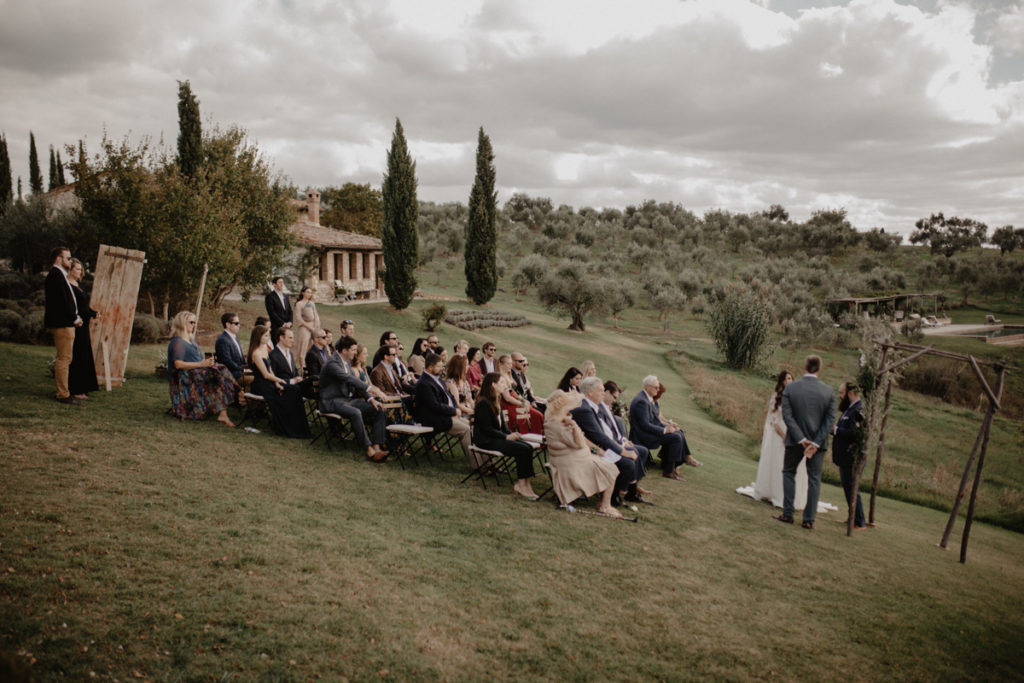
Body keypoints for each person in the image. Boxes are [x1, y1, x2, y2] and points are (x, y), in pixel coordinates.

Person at [737, 371, 813, 508]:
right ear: (782, 382)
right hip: (779, 433)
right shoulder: (777, 397)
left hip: (793, 432)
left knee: (789, 465)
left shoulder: (796, 396)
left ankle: (788, 496)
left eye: (791, 378)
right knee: (778, 463)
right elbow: (773, 420)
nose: (790, 380)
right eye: (787, 379)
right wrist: (784, 436)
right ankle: (774, 492)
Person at [777, 355, 836, 530]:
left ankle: (788, 514)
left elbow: (787, 416)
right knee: (814, 479)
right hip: (818, 444)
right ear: (819, 369)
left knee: (789, 472)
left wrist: (801, 439)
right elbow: (829, 420)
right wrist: (816, 443)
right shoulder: (829, 392)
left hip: (795, 441)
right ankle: (808, 519)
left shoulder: (791, 389)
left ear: (804, 367)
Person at [571, 376, 650, 506]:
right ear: (590, 392)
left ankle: (619, 493)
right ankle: (613, 496)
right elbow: (599, 436)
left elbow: (602, 434)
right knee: (627, 463)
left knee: (631, 457)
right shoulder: (585, 409)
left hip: (595, 447)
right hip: (588, 450)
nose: (603, 393)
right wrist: (622, 451)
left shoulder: (590, 406)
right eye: (601, 390)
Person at [544, 389, 621, 517]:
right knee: (611, 468)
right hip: (572, 463)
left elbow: (581, 441)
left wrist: (598, 450)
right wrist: (574, 426)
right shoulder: (560, 426)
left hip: (575, 458)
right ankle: (605, 505)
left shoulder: (554, 421)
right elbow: (580, 443)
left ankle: (604, 501)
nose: (570, 412)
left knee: (607, 462)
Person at [320, 336, 388, 461]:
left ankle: (377, 448)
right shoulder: (332, 363)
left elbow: (355, 382)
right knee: (356, 412)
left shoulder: (345, 362)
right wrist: (372, 389)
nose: (356, 353)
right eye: (353, 350)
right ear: (344, 350)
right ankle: (369, 450)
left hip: (347, 401)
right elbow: (348, 379)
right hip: (331, 401)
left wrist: (371, 399)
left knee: (379, 409)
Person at [473, 373, 539, 500]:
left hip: (496, 437)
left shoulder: (496, 400)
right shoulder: (483, 403)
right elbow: (486, 429)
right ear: (493, 384)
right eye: (501, 383)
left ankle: (526, 484)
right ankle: (521, 484)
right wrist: (505, 437)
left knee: (528, 447)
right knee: (522, 449)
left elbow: (502, 426)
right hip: (486, 440)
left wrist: (511, 434)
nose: (505, 385)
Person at [166, 311, 236, 426]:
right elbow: (178, 364)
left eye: (195, 322)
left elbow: (198, 359)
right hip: (185, 376)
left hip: (197, 372)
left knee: (220, 370)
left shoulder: (191, 340)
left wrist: (207, 363)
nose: (194, 325)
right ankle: (238, 394)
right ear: (182, 322)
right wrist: (202, 364)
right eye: (191, 322)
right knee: (221, 372)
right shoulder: (177, 341)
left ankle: (224, 411)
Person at [246, 324, 311, 438]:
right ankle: (286, 427)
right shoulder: (255, 353)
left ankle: (298, 426)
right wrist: (280, 380)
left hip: (271, 382)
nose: (268, 338)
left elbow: (270, 370)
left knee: (294, 390)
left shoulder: (264, 349)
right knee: (288, 393)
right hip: (261, 385)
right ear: (258, 337)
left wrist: (277, 383)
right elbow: (265, 375)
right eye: (265, 336)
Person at [629, 375, 695, 480]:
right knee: (676, 437)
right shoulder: (642, 401)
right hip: (642, 435)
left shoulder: (647, 399)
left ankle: (670, 465)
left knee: (678, 433)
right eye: (656, 387)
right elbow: (645, 425)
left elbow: (655, 419)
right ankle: (668, 471)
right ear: (647, 387)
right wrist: (664, 430)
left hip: (647, 432)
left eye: (658, 387)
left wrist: (668, 426)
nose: (658, 390)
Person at [414, 352, 473, 461]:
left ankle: (483, 460)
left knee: (473, 426)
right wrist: (453, 411)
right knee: (466, 429)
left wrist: (456, 409)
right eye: (439, 366)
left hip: (446, 415)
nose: (442, 368)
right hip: (434, 418)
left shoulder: (437, 379)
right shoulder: (424, 383)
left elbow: (450, 397)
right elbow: (434, 405)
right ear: (430, 367)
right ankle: (477, 464)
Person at [44, 246, 82, 405]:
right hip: (63, 323)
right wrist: (74, 318)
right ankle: (63, 394)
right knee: (64, 359)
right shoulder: (56, 275)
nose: (70, 261)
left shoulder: (59, 275)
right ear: (59, 259)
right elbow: (62, 301)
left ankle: (64, 391)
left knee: (65, 358)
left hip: (64, 322)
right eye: (67, 258)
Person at [833, 381, 867, 530]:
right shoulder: (849, 409)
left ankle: (859, 521)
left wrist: (836, 430)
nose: (839, 396)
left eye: (841, 393)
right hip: (844, 456)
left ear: (850, 393)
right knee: (848, 487)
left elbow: (855, 434)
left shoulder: (858, 410)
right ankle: (852, 517)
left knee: (853, 488)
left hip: (851, 456)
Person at [66, 258, 99, 399]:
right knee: (78, 355)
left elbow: (84, 306)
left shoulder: (78, 285)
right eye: (77, 269)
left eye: (81, 269)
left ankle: (83, 387)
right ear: (70, 270)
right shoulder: (68, 286)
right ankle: (76, 389)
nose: (80, 272)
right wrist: (91, 314)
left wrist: (94, 313)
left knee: (84, 354)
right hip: (77, 325)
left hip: (84, 324)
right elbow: (76, 308)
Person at [498, 354, 544, 434]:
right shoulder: (501, 377)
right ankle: (530, 436)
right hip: (508, 406)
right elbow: (507, 398)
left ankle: (536, 436)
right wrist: (521, 403)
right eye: (508, 364)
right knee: (536, 415)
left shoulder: (508, 375)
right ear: (501, 364)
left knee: (538, 414)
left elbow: (513, 392)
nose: (510, 366)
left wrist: (523, 400)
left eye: (510, 363)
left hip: (515, 402)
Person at [292, 286, 320, 370]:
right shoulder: (299, 304)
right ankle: (302, 367)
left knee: (311, 346)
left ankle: (311, 365)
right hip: (304, 327)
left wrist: (315, 327)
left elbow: (316, 315)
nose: (309, 294)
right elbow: (298, 318)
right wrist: (308, 327)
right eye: (307, 292)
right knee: (302, 348)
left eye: (310, 292)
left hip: (313, 326)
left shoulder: (311, 303)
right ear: (303, 293)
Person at [214, 312, 246, 381]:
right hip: (231, 374)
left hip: (240, 372)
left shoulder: (235, 338)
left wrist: (247, 367)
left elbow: (241, 359)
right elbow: (226, 361)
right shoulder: (222, 340)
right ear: (228, 325)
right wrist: (242, 369)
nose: (239, 325)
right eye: (236, 323)